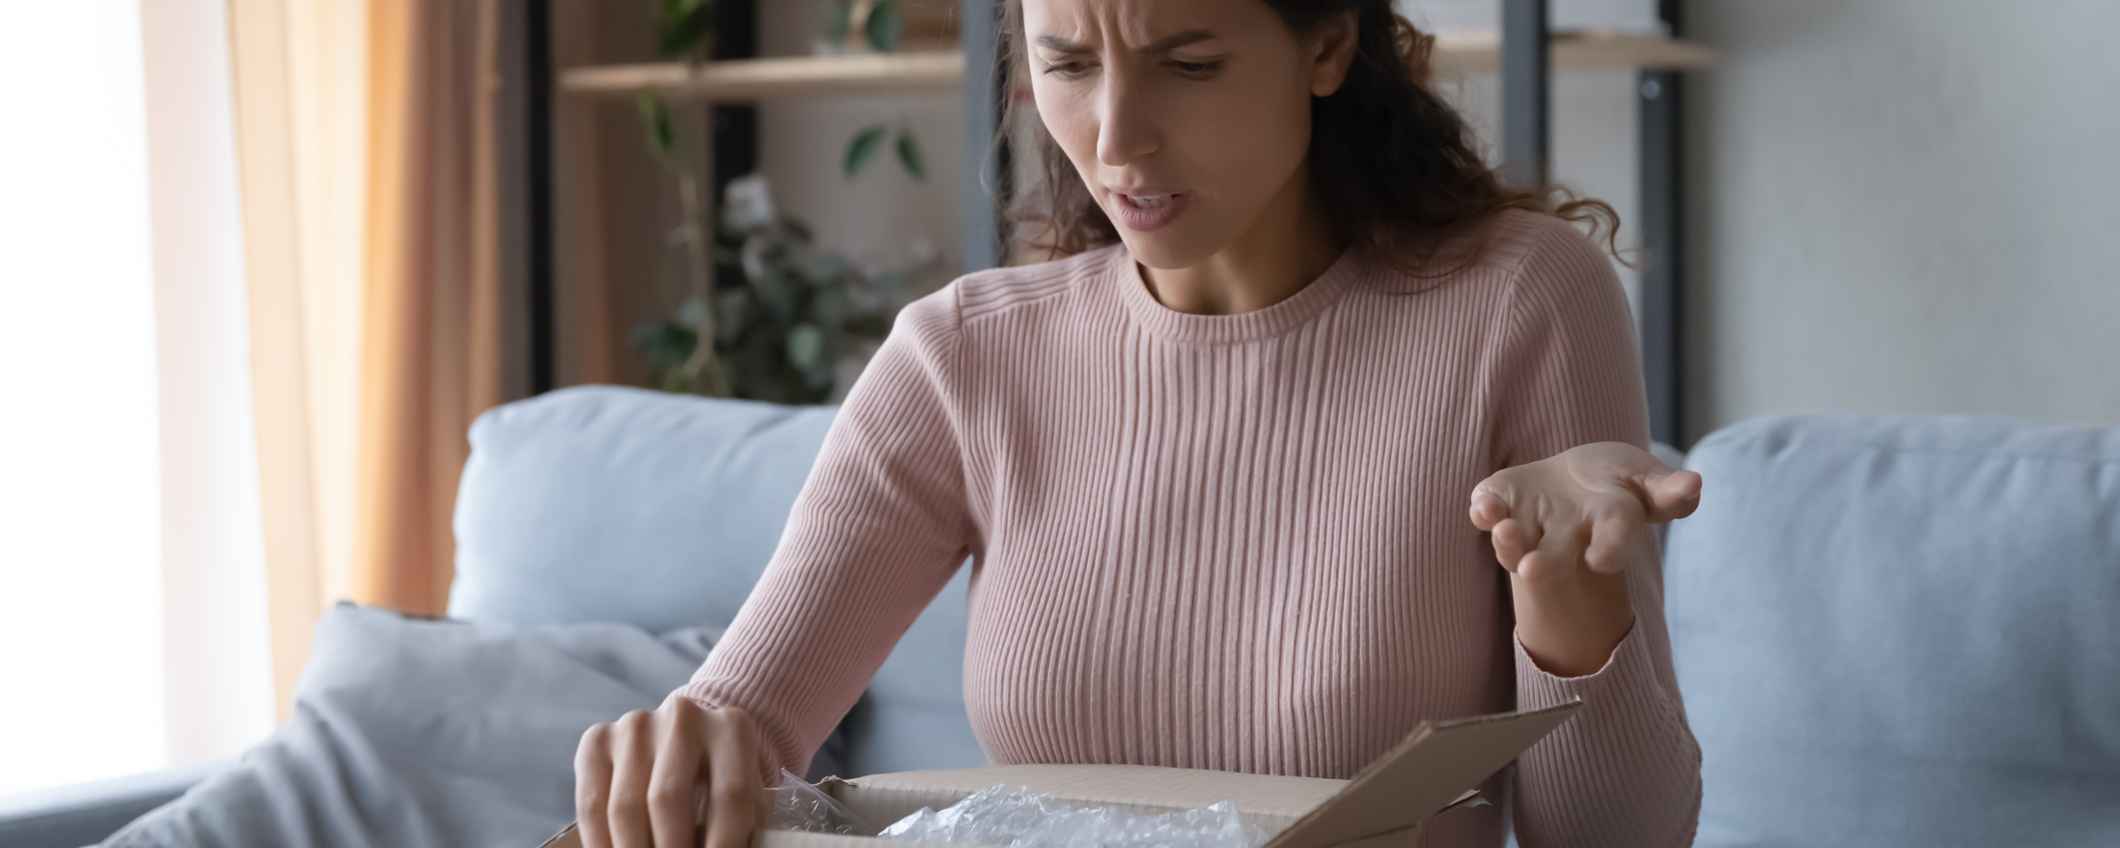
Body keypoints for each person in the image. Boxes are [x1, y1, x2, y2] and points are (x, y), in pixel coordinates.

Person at [571, 1, 1705, 846]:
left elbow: (1620, 837)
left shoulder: (1518, 300)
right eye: (1066, 64)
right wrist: (674, 753)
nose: (1116, 138)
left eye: (1188, 65)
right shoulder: (965, 354)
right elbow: (739, 729)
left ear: (1323, 46)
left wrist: (1568, 611)